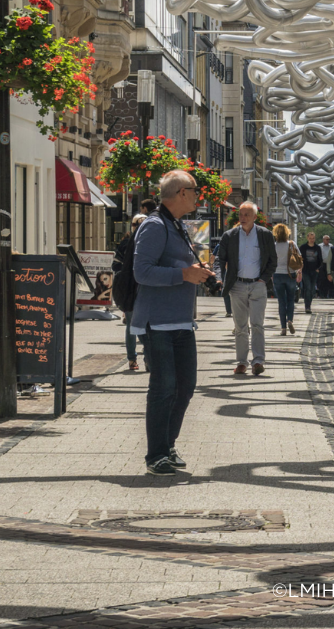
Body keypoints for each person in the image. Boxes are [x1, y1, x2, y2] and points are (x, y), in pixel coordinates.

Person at [132, 170, 209, 475]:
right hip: (157, 322)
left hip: (180, 321)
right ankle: (156, 455)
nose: (197, 195)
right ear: (180, 193)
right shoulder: (153, 225)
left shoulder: (175, 224)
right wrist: (183, 274)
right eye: (194, 190)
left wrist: (195, 269)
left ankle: (168, 445)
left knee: (185, 386)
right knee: (164, 387)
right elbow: (142, 271)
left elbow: (172, 263)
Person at [214, 201, 277, 376]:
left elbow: (273, 260)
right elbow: (220, 260)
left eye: (247, 214)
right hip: (237, 286)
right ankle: (242, 362)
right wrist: (220, 279)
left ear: (255, 217)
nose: (243, 218)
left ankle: (258, 361)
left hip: (258, 286)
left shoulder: (265, 235)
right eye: (241, 214)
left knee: (257, 325)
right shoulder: (229, 236)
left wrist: (263, 280)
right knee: (240, 326)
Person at [114, 214, 148, 371]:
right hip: (132, 289)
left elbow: (116, 267)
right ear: (132, 226)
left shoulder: (129, 243)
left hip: (141, 289)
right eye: (136, 224)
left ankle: (137, 359)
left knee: (137, 325)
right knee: (139, 325)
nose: (139, 227)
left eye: (142, 224)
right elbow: (115, 267)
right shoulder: (130, 243)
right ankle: (140, 358)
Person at [272, 223, 301, 336]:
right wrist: (299, 271)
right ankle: (290, 320)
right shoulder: (291, 244)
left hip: (277, 275)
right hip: (290, 275)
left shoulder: (273, 246)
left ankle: (283, 328)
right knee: (290, 300)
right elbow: (299, 258)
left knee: (281, 301)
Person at [300, 232, 324, 314]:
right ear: (307, 238)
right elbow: (299, 258)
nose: (311, 240)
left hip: (314, 271)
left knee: (312, 289)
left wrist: (318, 268)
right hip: (305, 271)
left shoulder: (317, 248)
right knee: (308, 287)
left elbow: (321, 259)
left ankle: (308, 303)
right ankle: (307, 306)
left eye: (313, 238)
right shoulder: (303, 247)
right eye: (310, 238)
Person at [318, 235, 334, 299]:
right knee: (322, 279)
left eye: (328, 239)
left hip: (329, 264)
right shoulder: (320, 246)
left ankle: (330, 295)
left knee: (330, 279)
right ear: (323, 240)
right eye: (326, 239)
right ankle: (322, 294)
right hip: (322, 264)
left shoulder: (331, 246)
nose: (328, 241)